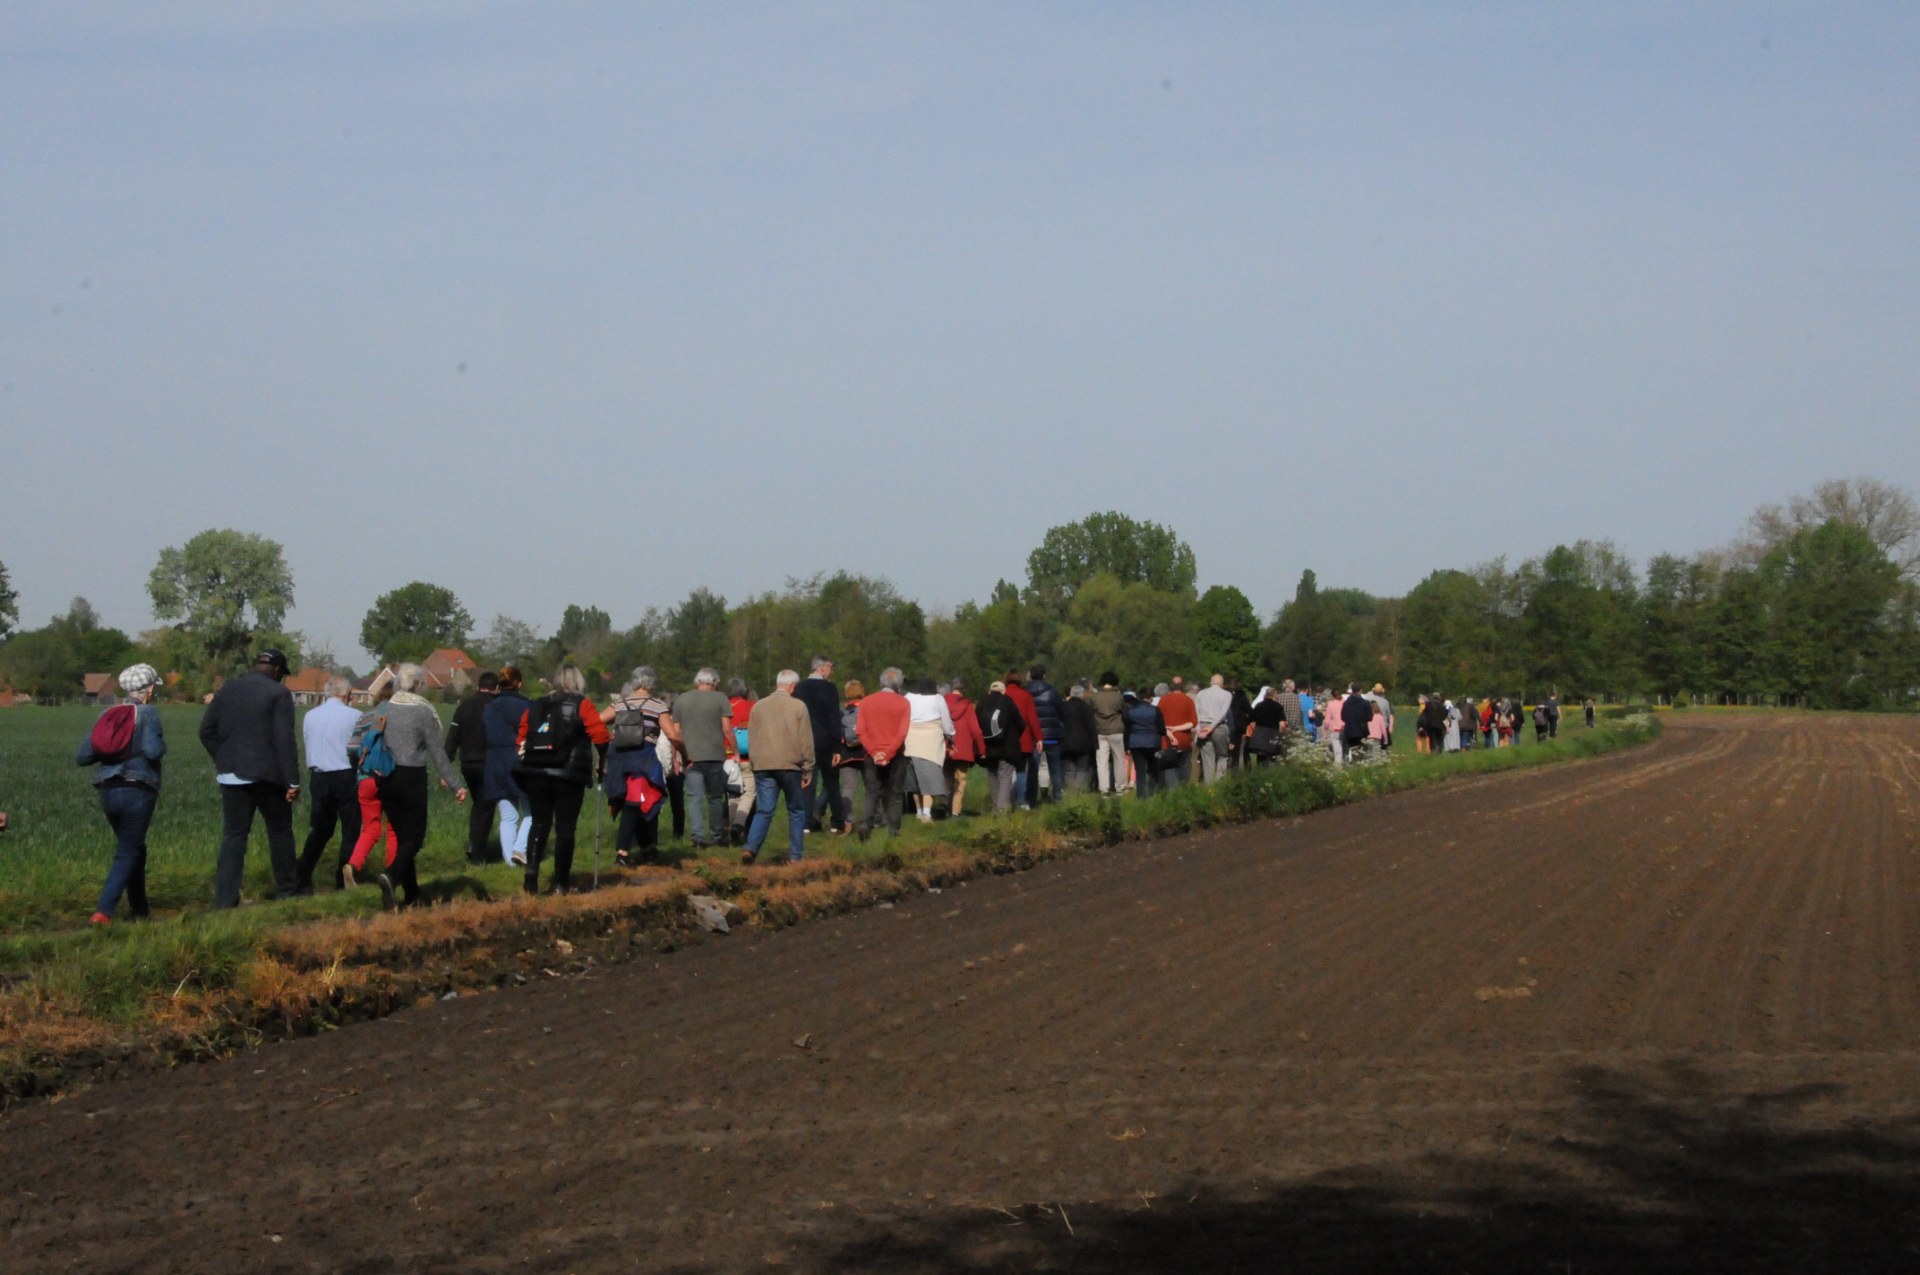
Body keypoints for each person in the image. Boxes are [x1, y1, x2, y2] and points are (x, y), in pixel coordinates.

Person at [356, 663, 468, 909]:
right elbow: (438, 753)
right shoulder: (423, 712)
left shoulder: (385, 708)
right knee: (415, 838)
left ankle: (413, 896)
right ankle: (392, 876)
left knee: (404, 838)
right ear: (418, 685)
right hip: (411, 778)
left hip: (384, 778)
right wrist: (455, 785)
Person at [199, 648, 301, 908]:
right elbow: (284, 740)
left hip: (231, 775)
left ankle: (225, 899)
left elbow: (206, 731)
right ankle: (287, 891)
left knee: (234, 836)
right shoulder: (278, 693)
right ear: (277, 670)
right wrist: (292, 780)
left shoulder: (228, 689)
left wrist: (223, 758)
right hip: (268, 777)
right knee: (279, 833)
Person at [76, 663, 166, 924]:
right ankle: (104, 912)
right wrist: (161, 744)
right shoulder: (149, 713)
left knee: (135, 847)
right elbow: (152, 751)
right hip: (138, 789)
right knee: (128, 851)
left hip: (107, 789)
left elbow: (83, 757)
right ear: (148, 689)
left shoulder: (107, 713)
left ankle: (140, 911)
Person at [515, 665, 610, 894]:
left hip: (536, 772)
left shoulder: (536, 704)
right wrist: (601, 762)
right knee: (565, 829)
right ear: (579, 682)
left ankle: (531, 875)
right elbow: (600, 735)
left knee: (539, 824)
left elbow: (521, 737)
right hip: (569, 774)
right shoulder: (582, 704)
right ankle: (560, 883)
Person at [740, 670, 815, 864]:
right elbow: (805, 740)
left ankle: (750, 848)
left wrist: (754, 763)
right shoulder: (799, 706)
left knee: (764, 810)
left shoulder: (758, 706)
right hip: (790, 765)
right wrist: (808, 767)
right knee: (796, 810)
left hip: (763, 765)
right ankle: (795, 856)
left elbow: (751, 736)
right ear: (792, 687)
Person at [296, 674, 362, 890]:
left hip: (319, 776)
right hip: (345, 774)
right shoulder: (355, 715)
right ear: (347, 694)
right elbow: (360, 749)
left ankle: (303, 873)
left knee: (320, 829)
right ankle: (343, 877)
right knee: (350, 829)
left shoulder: (310, 716)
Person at [600, 667, 670, 867]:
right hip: (642, 758)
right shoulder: (657, 705)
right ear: (650, 683)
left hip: (619, 757)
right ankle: (622, 853)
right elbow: (672, 734)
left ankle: (648, 848)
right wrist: (684, 752)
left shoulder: (620, 703)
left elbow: (598, 721)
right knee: (638, 803)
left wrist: (608, 741)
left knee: (636, 803)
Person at [663, 669, 732, 850]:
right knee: (715, 798)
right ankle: (717, 836)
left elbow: (675, 733)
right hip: (715, 755)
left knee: (694, 798)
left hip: (690, 756)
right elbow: (726, 729)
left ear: (696, 682)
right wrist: (736, 752)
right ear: (715, 682)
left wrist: (675, 757)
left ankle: (698, 837)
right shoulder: (721, 698)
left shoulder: (682, 700)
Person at [345, 683, 400, 882]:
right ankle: (391, 874)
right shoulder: (399, 716)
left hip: (365, 779)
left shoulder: (365, 716)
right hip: (390, 778)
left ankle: (353, 865)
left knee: (371, 828)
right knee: (394, 828)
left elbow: (352, 748)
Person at [445, 670, 500, 864]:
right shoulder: (496, 705)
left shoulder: (464, 706)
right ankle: (477, 851)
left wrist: (446, 766)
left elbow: (453, 737)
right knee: (485, 807)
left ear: (478, 686)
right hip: (488, 762)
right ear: (496, 688)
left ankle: (474, 845)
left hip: (467, 764)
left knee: (479, 804)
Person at [483, 665, 534, 866]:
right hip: (518, 760)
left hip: (494, 762)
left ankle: (510, 864)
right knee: (532, 813)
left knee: (507, 816)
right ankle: (519, 850)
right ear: (519, 684)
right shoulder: (526, 705)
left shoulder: (489, 707)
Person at [855, 667, 911, 838]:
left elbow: (861, 731)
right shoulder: (903, 703)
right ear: (898, 684)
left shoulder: (866, 702)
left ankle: (865, 824)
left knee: (872, 792)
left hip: (872, 755)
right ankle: (893, 831)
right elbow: (902, 733)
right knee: (894, 794)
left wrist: (875, 752)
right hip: (896, 755)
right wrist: (888, 753)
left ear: (881, 683)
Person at [793, 656, 844, 833]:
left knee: (808, 782)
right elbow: (834, 718)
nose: (831, 672)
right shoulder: (829, 688)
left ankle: (807, 823)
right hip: (826, 742)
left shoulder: (799, 688)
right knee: (832, 782)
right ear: (822, 669)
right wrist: (837, 746)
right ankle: (837, 823)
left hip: (805, 742)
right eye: (830, 668)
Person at [903, 676, 955, 824]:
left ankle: (919, 812)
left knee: (915, 783)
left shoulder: (908, 697)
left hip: (910, 742)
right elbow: (946, 723)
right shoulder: (937, 699)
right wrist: (950, 736)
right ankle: (926, 814)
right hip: (930, 744)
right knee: (929, 782)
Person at [976, 680, 1026, 813]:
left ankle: (995, 807)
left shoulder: (981, 703)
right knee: (1005, 777)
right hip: (1007, 746)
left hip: (987, 748)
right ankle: (1002, 810)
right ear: (1003, 691)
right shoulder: (1008, 702)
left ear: (989, 691)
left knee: (993, 776)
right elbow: (1021, 724)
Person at [942, 676, 984, 816]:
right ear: (963, 689)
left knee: (947, 777)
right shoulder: (967, 706)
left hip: (946, 747)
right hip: (963, 749)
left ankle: (945, 805)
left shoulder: (942, 703)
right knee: (961, 780)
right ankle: (955, 811)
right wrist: (981, 749)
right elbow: (975, 730)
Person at [1024, 665, 1066, 804]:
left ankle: (1031, 799)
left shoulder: (1025, 692)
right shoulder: (1052, 692)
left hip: (1034, 738)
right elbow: (1061, 711)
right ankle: (1057, 798)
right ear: (1044, 676)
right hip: (1053, 736)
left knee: (1033, 770)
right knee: (1055, 769)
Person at [1002, 670, 1042, 808]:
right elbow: (1032, 719)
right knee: (1021, 771)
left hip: (1004, 739)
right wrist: (1038, 738)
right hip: (1023, 739)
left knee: (1005, 771)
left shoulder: (1003, 694)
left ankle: (1005, 801)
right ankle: (1021, 801)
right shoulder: (1026, 696)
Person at [725, 677, 757, 845]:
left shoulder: (722, 706)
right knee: (749, 792)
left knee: (733, 794)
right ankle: (739, 823)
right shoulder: (751, 706)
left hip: (725, 758)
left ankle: (732, 829)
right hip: (745, 757)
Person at [835, 679, 868, 830]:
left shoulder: (842, 711)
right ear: (862, 692)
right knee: (871, 786)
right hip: (865, 751)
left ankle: (848, 820)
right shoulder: (867, 708)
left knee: (848, 787)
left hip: (846, 754)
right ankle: (875, 817)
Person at [1125, 687, 1168, 797]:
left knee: (1140, 770)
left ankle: (1141, 796)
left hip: (1135, 743)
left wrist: (1127, 746)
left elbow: (1127, 729)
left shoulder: (1131, 710)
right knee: (1153, 769)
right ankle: (1152, 793)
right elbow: (1162, 730)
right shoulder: (1155, 710)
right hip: (1152, 743)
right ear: (1150, 698)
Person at [1091, 672, 1128, 796]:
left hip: (1100, 731)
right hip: (1116, 731)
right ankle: (1120, 787)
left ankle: (1104, 789)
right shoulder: (1118, 697)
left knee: (1102, 761)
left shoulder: (1095, 697)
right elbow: (1125, 713)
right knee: (1119, 760)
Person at [1194, 673, 1235, 784]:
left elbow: (1196, 712)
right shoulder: (1227, 694)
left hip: (1202, 726)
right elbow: (1222, 713)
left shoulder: (1201, 693)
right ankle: (1219, 782)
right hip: (1219, 727)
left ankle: (1209, 786)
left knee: (1207, 759)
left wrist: (1198, 729)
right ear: (1221, 684)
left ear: (1211, 683)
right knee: (1222, 756)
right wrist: (1212, 727)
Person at [1059, 680, 1098, 794]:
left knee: (1068, 770)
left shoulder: (1063, 707)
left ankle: (1071, 792)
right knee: (1082, 768)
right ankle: (1078, 789)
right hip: (1083, 744)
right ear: (1082, 695)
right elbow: (1091, 726)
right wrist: (1095, 744)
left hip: (1066, 743)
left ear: (1070, 694)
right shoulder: (1086, 707)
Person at [1157, 680, 1197, 786]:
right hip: (1184, 738)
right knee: (1184, 766)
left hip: (1167, 740)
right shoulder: (1188, 700)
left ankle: (1171, 794)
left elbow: (1158, 721)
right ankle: (1183, 790)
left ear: (1170, 689)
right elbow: (1193, 722)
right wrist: (1176, 728)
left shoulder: (1163, 700)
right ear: (1182, 689)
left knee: (1169, 768)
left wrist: (1170, 731)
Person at [1243, 685, 1286, 765]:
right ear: (1275, 695)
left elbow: (1250, 719)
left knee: (1260, 759)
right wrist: (1281, 735)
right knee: (1272, 759)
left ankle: (1260, 775)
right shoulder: (1278, 707)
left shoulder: (1259, 705)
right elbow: (1282, 724)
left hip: (1259, 735)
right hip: (1273, 734)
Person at [1340, 682, 1374, 761]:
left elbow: (1343, 717)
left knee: (1349, 751)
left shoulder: (1346, 703)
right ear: (1360, 690)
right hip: (1361, 730)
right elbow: (1369, 717)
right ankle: (1359, 768)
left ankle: (1351, 766)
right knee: (1361, 753)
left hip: (1349, 730)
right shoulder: (1365, 703)